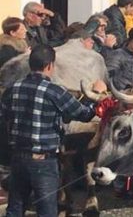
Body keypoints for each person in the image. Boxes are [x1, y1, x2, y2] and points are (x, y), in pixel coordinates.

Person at [0, 45, 103, 217]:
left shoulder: (13, 89)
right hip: (44, 161)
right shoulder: (54, 91)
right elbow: (84, 114)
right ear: (50, 66)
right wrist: (96, 95)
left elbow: (4, 115)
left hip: (18, 158)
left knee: (15, 209)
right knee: (47, 210)